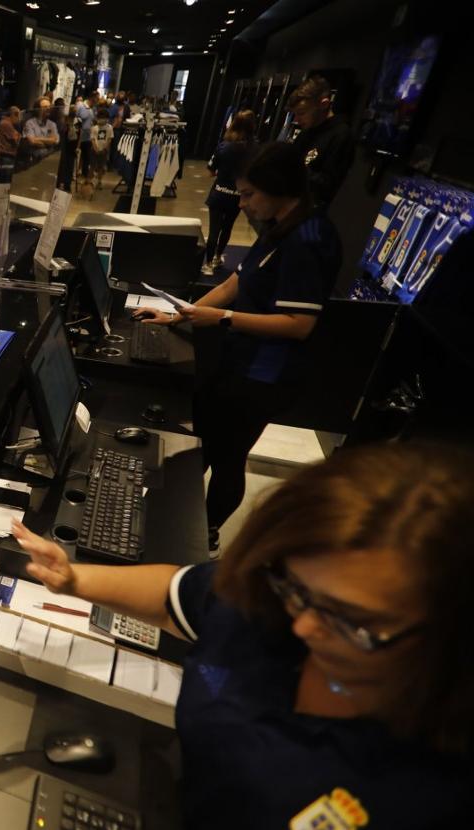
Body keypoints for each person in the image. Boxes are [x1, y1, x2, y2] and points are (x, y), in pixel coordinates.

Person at [12, 441, 474, 828]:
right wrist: (76, 580)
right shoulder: (266, 599)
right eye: (297, 589)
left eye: (352, 622)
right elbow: (182, 595)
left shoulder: (432, 789)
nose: (304, 626)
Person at [135, 142, 341, 549]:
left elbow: (300, 324)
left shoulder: (309, 238)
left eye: (249, 194)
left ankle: (203, 535)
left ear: (278, 188)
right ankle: (182, 526)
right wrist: (181, 315)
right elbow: (236, 284)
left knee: (229, 455)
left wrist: (222, 319)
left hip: (265, 376)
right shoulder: (278, 228)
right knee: (206, 445)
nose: (242, 203)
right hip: (238, 363)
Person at [287, 76, 355, 210]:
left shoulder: (341, 135)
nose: (296, 119)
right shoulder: (306, 131)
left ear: (323, 104)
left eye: (301, 113)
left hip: (308, 213)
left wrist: (295, 168)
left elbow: (328, 185)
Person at [202, 110, 257, 275]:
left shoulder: (224, 146)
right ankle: (219, 256)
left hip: (219, 193)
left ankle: (209, 263)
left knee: (213, 230)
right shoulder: (254, 149)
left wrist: (222, 173)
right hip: (237, 196)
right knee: (227, 227)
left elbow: (211, 170)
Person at [22, 97, 60, 164]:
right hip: (34, 161)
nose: (48, 109)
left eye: (49, 107)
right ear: (38, 109)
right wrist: (48, 144)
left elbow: (55, 140)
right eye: (45, 107)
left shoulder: (52, 124)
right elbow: (32, 141)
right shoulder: (30, 123)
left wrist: (38, 139)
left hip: (49, 161)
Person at [88, 105, 114, 190]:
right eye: (100, 117)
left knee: (101, 167)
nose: (102, 119)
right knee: (92, 166)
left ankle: (99, 181)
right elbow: (92, 139)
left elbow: (109, 139)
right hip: (94, 150)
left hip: (104, 150)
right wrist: (95, 148)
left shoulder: (109, 128)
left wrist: (105, 149)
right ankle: (90, 181)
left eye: (104, 118)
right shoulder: (94, 128)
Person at [74, 94, 96, 183]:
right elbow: (76, 118)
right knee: (78, 155)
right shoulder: (81, 106)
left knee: (85, 156)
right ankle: (75, 173)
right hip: (80, 135)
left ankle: (83, 173)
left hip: (88, 136)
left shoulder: (91, 109)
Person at [0, 106, 22, 182]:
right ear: (15, 114)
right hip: (6, 157)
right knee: (5, 183)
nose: (19, 120)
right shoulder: (6, 124)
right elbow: (18, 139)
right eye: (18, 116)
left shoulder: (7, 123)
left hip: (7, 158)